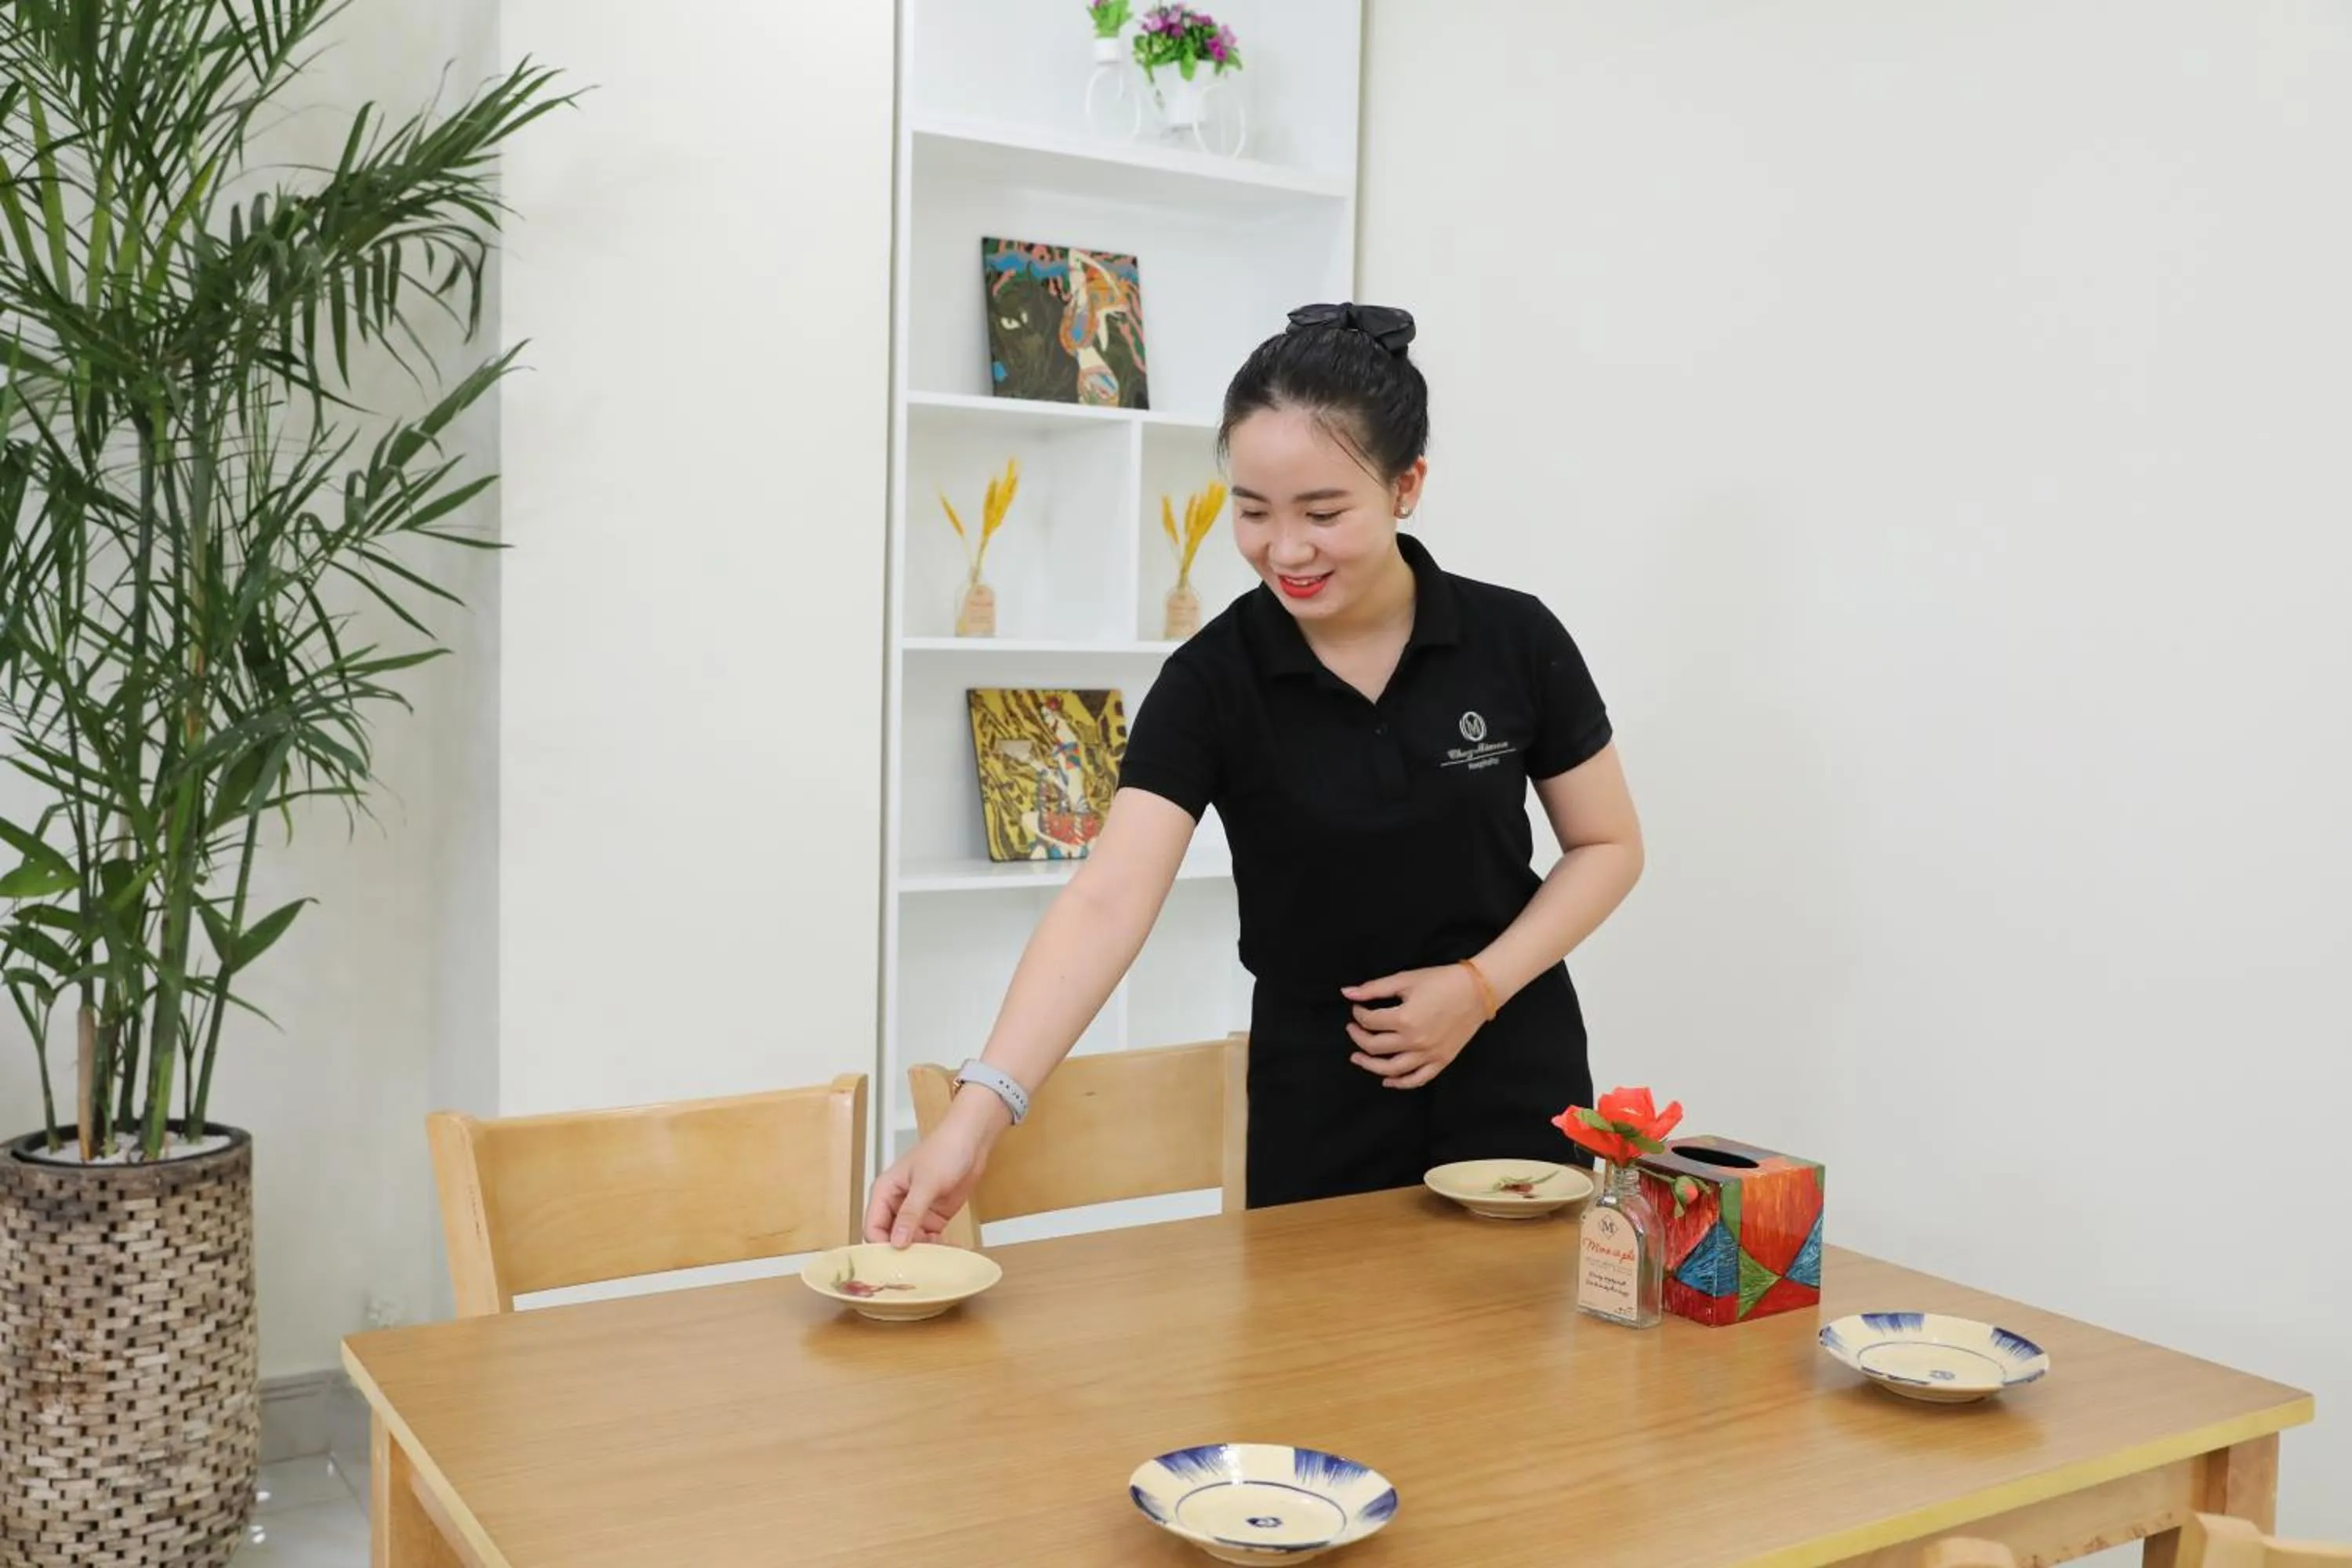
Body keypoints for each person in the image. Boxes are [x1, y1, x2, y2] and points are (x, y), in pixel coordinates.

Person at [866, 301, 1646, 1247]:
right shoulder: (1211, 681)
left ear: (1408, 486)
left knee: (1526, 1377)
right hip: (1318, 1102)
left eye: (1323, 512)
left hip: (1515, 1079)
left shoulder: (1514, 638)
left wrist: (1479, 986)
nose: (1285, 548)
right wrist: (977, 1111)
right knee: (1313, 1387)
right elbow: (1109, 897)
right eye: (1252, 509)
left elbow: (1608, 845)